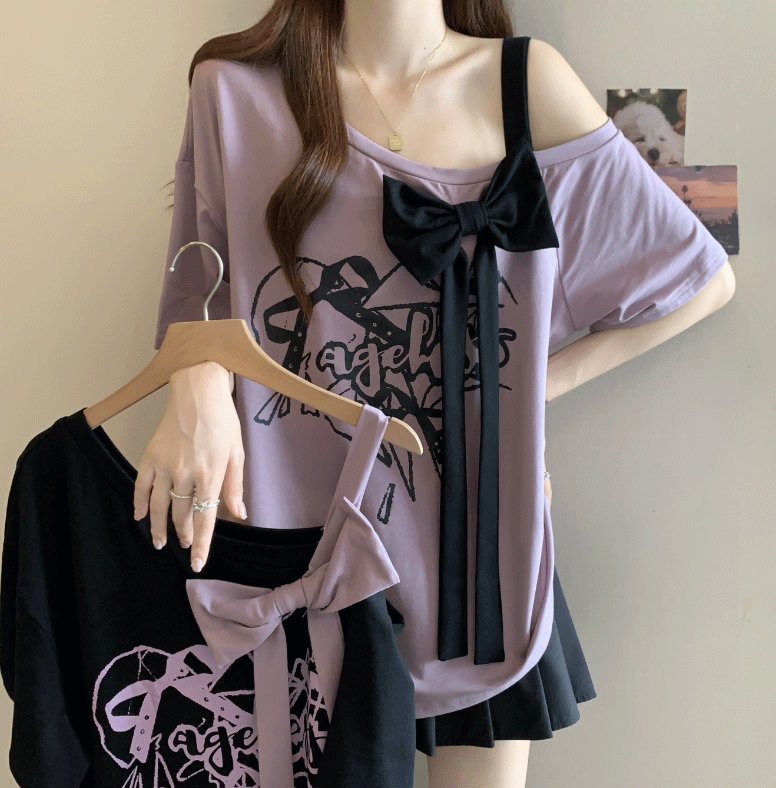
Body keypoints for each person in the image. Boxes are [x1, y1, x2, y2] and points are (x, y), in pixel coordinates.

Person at [135, 2, 735, 786]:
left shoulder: (523, 81)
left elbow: (698, 280)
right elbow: (198, 285)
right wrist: (196, 385)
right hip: (299, 541)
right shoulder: (232, 90)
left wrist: (518, 405)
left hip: (478, 557)